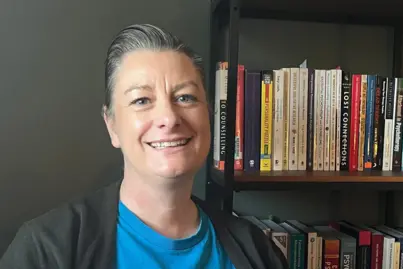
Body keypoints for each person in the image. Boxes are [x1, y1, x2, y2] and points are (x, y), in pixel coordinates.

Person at [0, 24, 288, 269]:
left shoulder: (257, 251)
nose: (169, 118)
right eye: (141, 100)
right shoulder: (45, 250)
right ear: (112, 125)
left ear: (209, 114)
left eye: (185, 97)